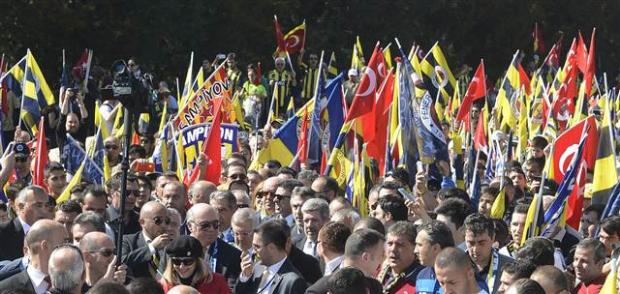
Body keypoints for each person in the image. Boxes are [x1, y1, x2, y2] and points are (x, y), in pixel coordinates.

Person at [235, 220, 307, 294]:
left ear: (271, 247)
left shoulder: (293, 281)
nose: (253, 251)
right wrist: (245, 277)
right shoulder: (256, 268)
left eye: (257, 247)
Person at [306, 229, 385, 294]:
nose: (383, 260)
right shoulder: (319, 290)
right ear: (366, 257)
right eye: (381, 255)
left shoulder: (375, 287)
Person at [0, 220, 68, 293]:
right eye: (64, 243)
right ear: (45, 246)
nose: (69, 248)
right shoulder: (6, 289)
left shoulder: (72, 283)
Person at [186, 203, 241, 288]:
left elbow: (231, 289)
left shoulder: (233, 255)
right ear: (190, 226)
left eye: (215, 224)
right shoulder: (175, 251)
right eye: (205, 225)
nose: (211, 229)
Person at [159, 235, 231, 293]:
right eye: (176, 261)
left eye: (188, 262)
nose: (182, 266)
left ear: (198, 261)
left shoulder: (217, 282)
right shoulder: (163, 285)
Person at [463, 214, 514, 294]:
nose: (476, 249)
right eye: (471, 243)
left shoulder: (510, 267)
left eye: (481, 243)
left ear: (493, 238)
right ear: (464, 238)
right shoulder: (455, 266)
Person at [121, 201, 172, 279]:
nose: (164, 225)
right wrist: (152, 247)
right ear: (142, 222)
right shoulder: (128, 241)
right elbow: (123, 262)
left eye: (167, 221)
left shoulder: (171, 243)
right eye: (158, 220)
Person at [0, 185, 50, 261]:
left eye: (46, 205)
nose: (44, 210)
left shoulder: (52, 231)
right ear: (21, 207)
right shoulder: (3, 232)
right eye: (38, 205)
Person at [377, 221, 423, 294]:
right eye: (390, 243)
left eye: (400, 245)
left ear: (414, 248)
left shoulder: (422, 280)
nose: (393, 249)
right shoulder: (377, 273)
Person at [414, 220, 455, 294]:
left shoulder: (460, 277)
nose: (415, 251)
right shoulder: (422, 275)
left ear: (435, 248)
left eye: (420, 245)